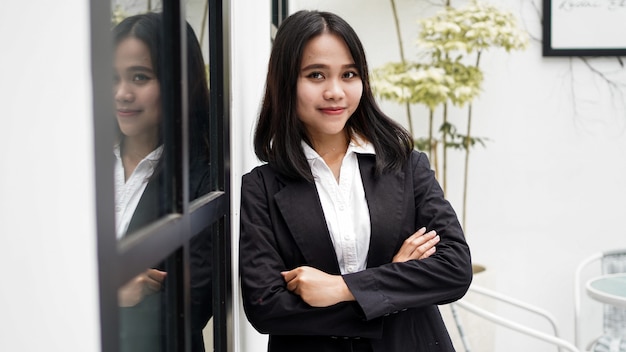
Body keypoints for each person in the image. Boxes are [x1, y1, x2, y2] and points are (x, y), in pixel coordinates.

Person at [239, 10, 472, 352]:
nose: (335, 91)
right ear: (286, 82)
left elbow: (454, 269)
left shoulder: (406, 166)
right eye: (316, 75)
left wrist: (340, 288)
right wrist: (392, 287)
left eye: (348, 74)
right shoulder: (262, 186)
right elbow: (266, 307)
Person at [112, 12, 213, 352]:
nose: (122, 94)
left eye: (140, 77)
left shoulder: (204, 177)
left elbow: (192, 306)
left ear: (177, 82)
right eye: (113, 78)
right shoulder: (78, 167)